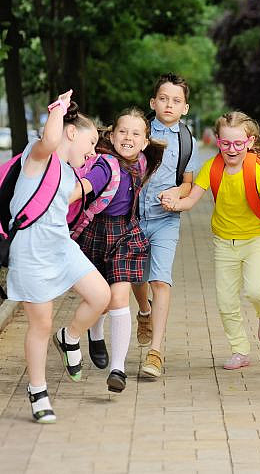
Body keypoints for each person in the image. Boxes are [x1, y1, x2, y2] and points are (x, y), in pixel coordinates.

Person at [6, 90, 110, 422]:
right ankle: (37, 390)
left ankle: (71, 337)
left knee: (101, 296)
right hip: (31, 250)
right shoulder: (37, 157)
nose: (92, 151)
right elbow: (49, 141)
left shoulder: (68, 173)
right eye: (91, 142)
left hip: (61, 246)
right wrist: (58, 108)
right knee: (41, 323)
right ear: (70, 131)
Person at [162, 111, 260, 370]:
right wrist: (174, 203)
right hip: (223, 243)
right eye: (226, 143)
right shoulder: (212, 168)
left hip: (255, 239)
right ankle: (240, 350)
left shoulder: (255, 169)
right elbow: (191, 200)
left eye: (238, 143)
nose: (232, 149)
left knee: (256, 289)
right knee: (226, 301)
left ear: (250, 142)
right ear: (217, 141)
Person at [69, 108, 165, 393]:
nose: (128, 138)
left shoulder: (144, 160)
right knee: (100, 295)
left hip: (125, 234)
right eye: (122, 132)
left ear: (145, 142)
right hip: (96, 232)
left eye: (136, 134)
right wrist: (62, 196)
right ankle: (96, 335)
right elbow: (86, 186)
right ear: (111, 135)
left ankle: (118, 368)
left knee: (119, 297)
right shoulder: (106, 164)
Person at [131, 73, 198, 378]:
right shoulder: (138, 132)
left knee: (160, 280)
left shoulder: (187, 141)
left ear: (185, 107)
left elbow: (187, 184)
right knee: (135, 277)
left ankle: (155, 352)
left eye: (176, 100)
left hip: (166, 220)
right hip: (131, 217)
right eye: (163, 98)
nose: (169, 104)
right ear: (153, 102)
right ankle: (143, 312)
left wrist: (177, 193)